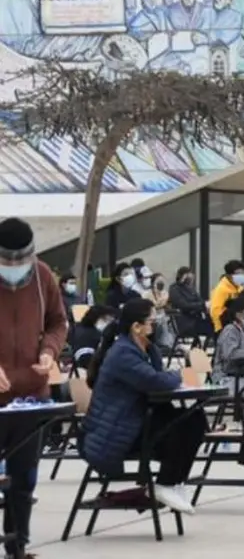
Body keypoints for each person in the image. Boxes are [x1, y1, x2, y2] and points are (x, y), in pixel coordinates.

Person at [83, 299, 207, 515]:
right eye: (151, 320)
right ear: (136, 327)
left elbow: (158, 379)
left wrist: (160, 363)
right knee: (182, 426)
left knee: (195, 418)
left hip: (136, 421)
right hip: (116, 433)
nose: (155, 324)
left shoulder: (144, 350)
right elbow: (157, 381)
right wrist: (176, 375)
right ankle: (166, 483)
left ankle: (174, 482)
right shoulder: (123, 353)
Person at [0, 218, 68, 556]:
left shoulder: (42, 276)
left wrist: (49, 350)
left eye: (20, 260)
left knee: (23, 477)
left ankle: (17, 545)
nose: (14, 269)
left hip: (30, 396)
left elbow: (59, 321)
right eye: (6, 261)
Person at [168, 266, 213, 338]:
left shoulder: (191, 289)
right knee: (212, 327)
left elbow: (200, 301)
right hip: (186, 323)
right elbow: (184, 306)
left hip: (196, 319)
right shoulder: (174, 289)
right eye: (188, 278)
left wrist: (206, 305)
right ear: (182, 277)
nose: (191, 280)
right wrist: (203, 305)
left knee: (215, 324)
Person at [210, 260, 244, 332]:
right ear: (229, 275)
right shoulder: (221, 289)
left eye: (243, 273)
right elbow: (215, 311)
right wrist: (219, 329)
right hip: (224, 326)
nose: (241, 276)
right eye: (238, 274)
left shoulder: (239, 288)